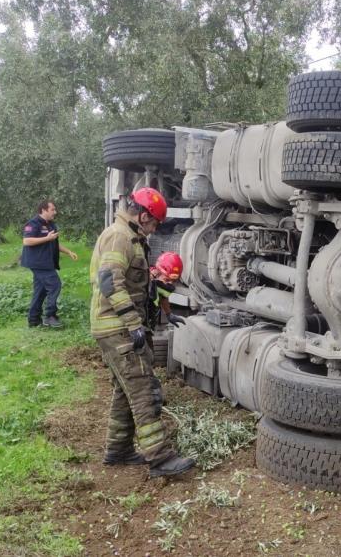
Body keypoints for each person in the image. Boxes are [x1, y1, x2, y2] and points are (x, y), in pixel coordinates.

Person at [89, 187, 195, 478]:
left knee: (126, 390)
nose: (155, 229)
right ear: (144, 215)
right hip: (118, 327)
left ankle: (118, 450)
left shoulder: (131, 237)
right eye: (155, 223)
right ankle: (160, 457)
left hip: (115, 325)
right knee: (143, 389)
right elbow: (111, 282)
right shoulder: (120, 236)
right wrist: (133, 324)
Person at [22, 200, 78, 328]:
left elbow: (54, 243)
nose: (55, 212)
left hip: (47, 262)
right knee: (54, 285)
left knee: (40, 291)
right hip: (38, 262)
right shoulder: (33, 223)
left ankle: (34, 319)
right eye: (52, 209)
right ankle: (50, 316)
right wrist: (47, 238)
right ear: (43, 210)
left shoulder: (51, 224)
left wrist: (68, 252)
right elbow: (27, 241)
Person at [149, 252, 187, 328]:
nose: (169, 284)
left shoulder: (157, 283)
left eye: (173, 281)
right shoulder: (142, 285)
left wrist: (169, 314)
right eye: (167, 280)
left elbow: (163, 296)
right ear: (158, 272)